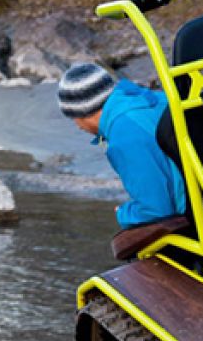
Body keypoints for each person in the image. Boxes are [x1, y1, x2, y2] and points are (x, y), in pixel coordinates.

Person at [57, 63, 186, 229]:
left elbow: (156, 211)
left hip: (200, 220)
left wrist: (123, 213)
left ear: (82, 112)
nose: (78, 127)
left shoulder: (124, 134)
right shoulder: (154, 99)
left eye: (73, 118)